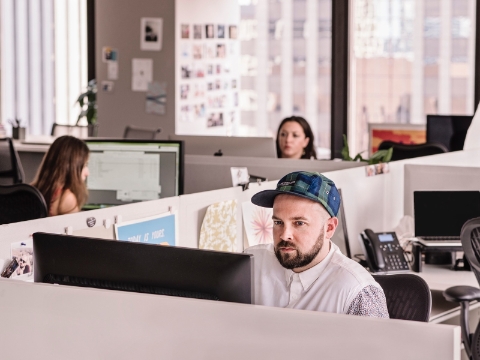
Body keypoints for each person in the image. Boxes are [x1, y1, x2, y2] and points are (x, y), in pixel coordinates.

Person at [245, 171, 389, 318]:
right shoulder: (249, 264)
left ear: (329, 228)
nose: (284, 235)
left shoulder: (357, 291)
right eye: (278, 222)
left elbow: (377, 341)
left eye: (299, 223)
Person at [31, 135, 89, 216]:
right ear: (72, 166)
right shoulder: (67, 198)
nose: (87, 173)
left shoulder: (32, 191)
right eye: (85, 165)